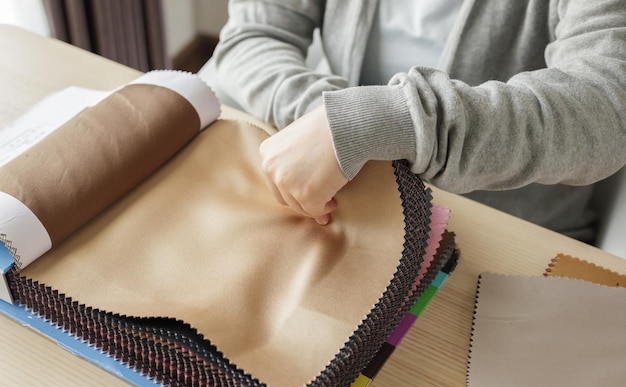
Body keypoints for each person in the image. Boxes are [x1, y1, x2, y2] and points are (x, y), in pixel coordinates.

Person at [201, 0, 626, 243]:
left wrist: (389, 121)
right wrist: (328, 116)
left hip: (507, 235)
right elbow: (255, 35)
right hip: (349, 207)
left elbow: (609, 104)